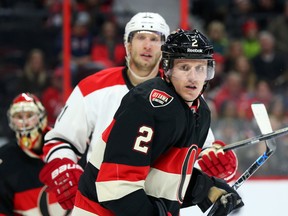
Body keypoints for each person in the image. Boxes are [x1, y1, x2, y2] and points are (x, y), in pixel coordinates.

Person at [39, 13, 238, 211]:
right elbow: (62, 140)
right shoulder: (92, 88)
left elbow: (192, 158)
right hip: (102, 198)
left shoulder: (191, 98)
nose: (148, 45)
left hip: (149, 200)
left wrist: (213, 172)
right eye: (141, 37)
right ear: (127, 44)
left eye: (155, 39)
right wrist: (63, 165)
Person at [0, 93, 67, 216]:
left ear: (42, 117)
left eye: (30, 115)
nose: (25, 122)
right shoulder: (5, 159)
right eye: (19, 116)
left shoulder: (66, 145)